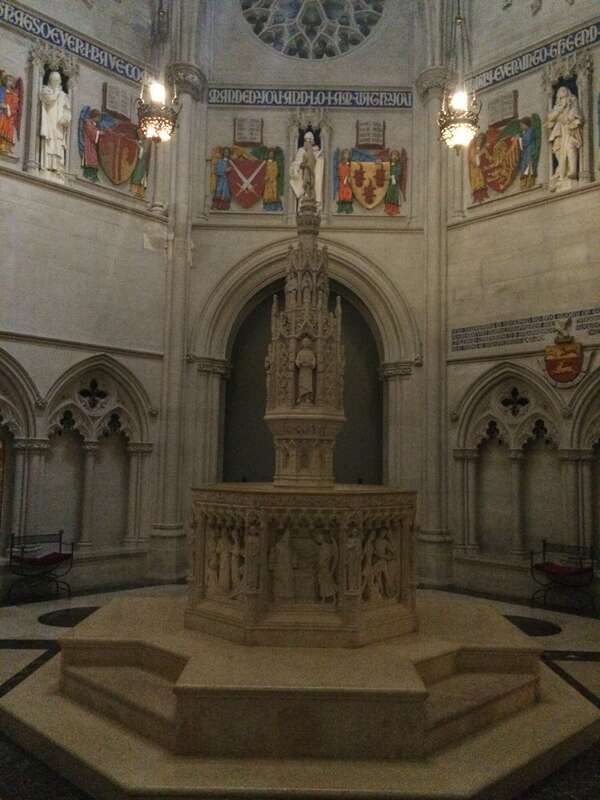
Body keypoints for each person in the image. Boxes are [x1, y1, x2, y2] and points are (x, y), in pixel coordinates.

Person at [546, 85, 583, 190]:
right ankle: (561, 173)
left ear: (569, 97)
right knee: (557, 151)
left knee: (570, 148)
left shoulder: (573, 108)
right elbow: (550, 118)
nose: (562, 100)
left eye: (564, 97)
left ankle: (573, 171)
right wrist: (559, 110)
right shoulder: (557, 109)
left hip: (570, 133)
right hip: (559, 134)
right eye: (560, 98)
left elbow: (579, 119)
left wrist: (574, 123)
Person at [39, 71, 71, 173]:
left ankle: (58, 167)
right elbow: (49, 99)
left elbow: (67, 109)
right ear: (49, 80)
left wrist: (66, 117)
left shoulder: (64, 95)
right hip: (49, 120)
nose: (56, 82)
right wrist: (56, 92)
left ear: (60, 81)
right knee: (50, 142)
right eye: (54, 80)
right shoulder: (46, 90)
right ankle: (47, 165)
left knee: (58, 142)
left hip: (59, 124)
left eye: (57, 80)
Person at [290, 130, 323, 209]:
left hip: (312, 174)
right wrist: (299, 166)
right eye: (306, 140)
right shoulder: (301, 151)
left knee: (311, 186)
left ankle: (314, 202)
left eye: (310, 140)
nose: (308, 142)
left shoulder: (317, 151)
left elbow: (319, 164)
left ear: (312, 141)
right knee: (305, 187)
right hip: (303, 174)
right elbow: (296, 163)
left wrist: (316, 159)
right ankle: (303, 203)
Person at [0, 74, 21, 156]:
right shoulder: (1, 90)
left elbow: (15, 106)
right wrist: (6, 107)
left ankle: (6, 147)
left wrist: (10, 109)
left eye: (11, 81)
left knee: (9, 130)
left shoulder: (14, 94)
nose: (9, 82)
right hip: (2, 113)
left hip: (9, 117)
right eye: (8, 80)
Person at [295, 337, 316, 404]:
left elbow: (314, 362)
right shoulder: (300, 352)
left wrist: (311, 364)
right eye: (304, 342)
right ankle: (301, 398)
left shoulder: (311, 352)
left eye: (307, 342)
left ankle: (307, 398)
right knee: (302, 384)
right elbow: (297, 361)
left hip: (308, 371)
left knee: (308, 385)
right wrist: (300, 363)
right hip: (302, 371)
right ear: (302, 343)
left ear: (309, 343)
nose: (306, 343)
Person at [336, 148, 353, 213]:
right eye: (345, 154)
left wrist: (348, 178)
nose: (346, 155)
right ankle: (341, 207)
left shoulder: (349, 164)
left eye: (348, 154)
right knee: (342, 193)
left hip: (347, 182)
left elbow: (349, 172)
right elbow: (341, 172)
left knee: (348, 193)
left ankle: (348, 208)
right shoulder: (341, 164)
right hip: (342, 181)